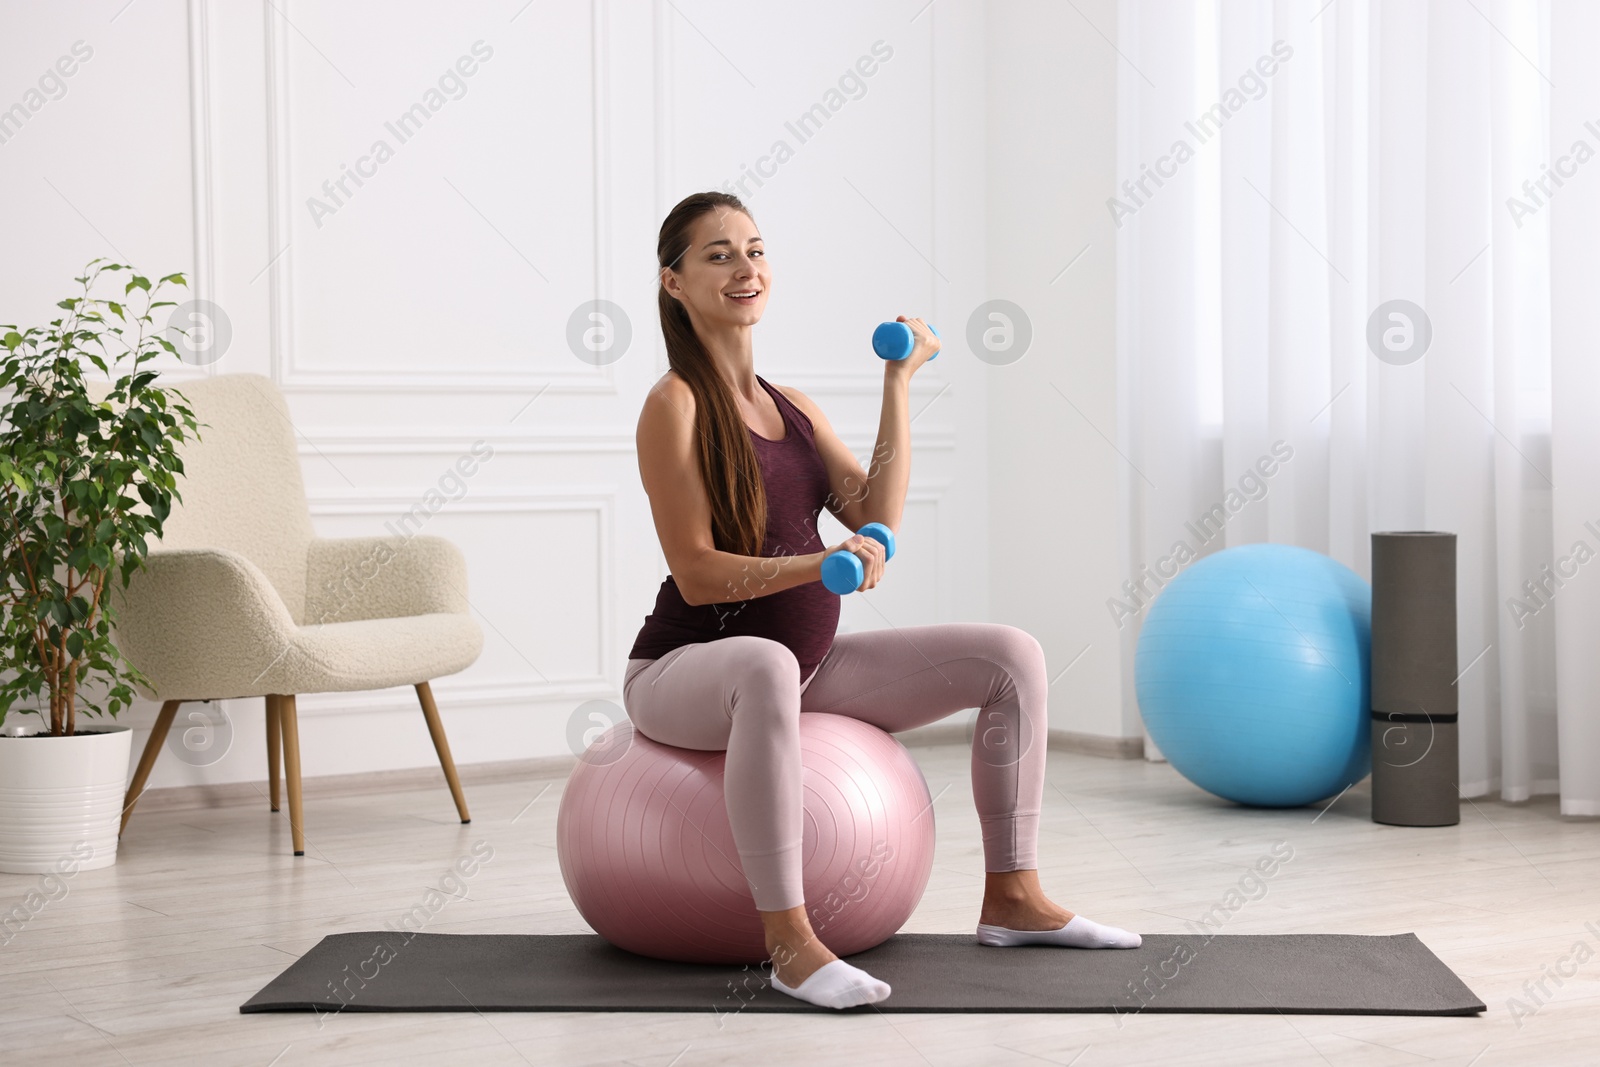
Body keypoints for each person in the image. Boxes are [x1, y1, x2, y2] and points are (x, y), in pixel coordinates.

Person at [623, 191, 1139, 1011]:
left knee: (1010, 655)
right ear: (674, 283)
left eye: (755, 249)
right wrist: (814, 564)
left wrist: (899, 380)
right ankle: (790, 941)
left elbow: (875, 518)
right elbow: (697, 575)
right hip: (683, 669)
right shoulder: (674, 404)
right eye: (718, 254)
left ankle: (1013, 896)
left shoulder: (791, 406)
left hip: (805, 668)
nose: (745, 267)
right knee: (760, 662)